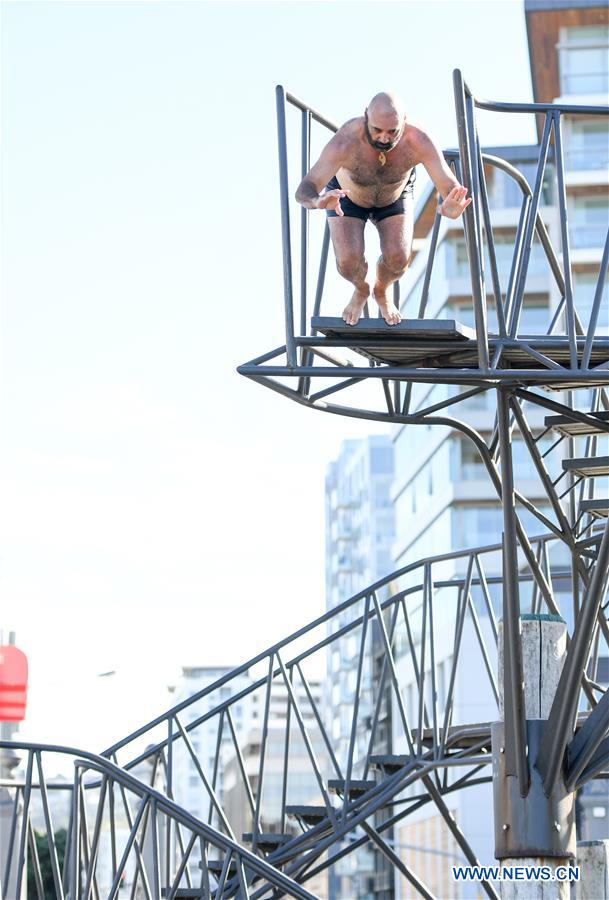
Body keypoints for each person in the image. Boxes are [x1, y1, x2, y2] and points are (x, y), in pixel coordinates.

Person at [295, 91, 472, 326]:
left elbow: (450, 185)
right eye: (377, 130)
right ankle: (361, 289)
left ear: (404, 122)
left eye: (392, 131)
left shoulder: (418, 140)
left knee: (399, 259)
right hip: (346, 196)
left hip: (394, 195)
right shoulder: (345, 141)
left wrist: (453, 205)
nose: (384, 138)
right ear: (365, 116)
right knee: (347, 262)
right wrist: (317, 201)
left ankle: (381, 290)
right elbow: (304, 189)